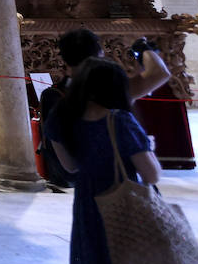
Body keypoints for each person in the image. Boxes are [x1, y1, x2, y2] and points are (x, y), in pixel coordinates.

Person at [45, 58, 191, 264]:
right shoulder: (119, 121)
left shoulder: (62, 118)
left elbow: (70, 166)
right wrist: (149, 147)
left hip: (89, 204)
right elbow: (151, 174)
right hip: (127, 204)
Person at [38, 28, 170, 187]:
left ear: (65, 61)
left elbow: (70, 167)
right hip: (123, 195)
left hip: (86, 196)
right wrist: (143, 47)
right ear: (100, 54)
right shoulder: (115, 93)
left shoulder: (57, 107)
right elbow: (160, 73)